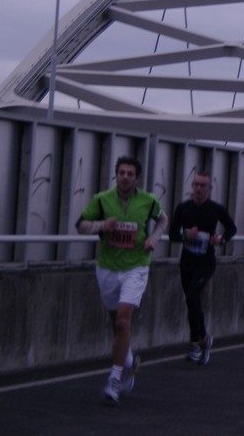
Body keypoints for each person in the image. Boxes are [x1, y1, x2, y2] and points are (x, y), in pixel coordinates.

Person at [75, 156, 168, 404]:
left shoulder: (149, 201)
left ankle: (114, 379)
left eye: (130, 174)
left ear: (137, 178)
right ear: (116, 175)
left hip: (136, 266)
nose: (125, 177)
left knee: (123, 320)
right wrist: (102, 226)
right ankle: (127, 360)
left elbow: (163, 220)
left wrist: (154, 239)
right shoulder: (102, 200)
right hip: (107, 267)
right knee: (115, 322)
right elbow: (80, 225)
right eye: (121, 173)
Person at [168, 170, 237, 365]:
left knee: (192, 296)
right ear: (192, 186)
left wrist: (221, 239)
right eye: (196, 185)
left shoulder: (216, 209)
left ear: (209, 188)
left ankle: (194, 344)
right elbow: (172, 235)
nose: (198, 189)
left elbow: (232, 228)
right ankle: (204, 339)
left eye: (202, 185)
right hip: (187, 260)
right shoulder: (183, 208)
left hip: (206, 261)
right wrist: (185, 236)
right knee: (191, 301)